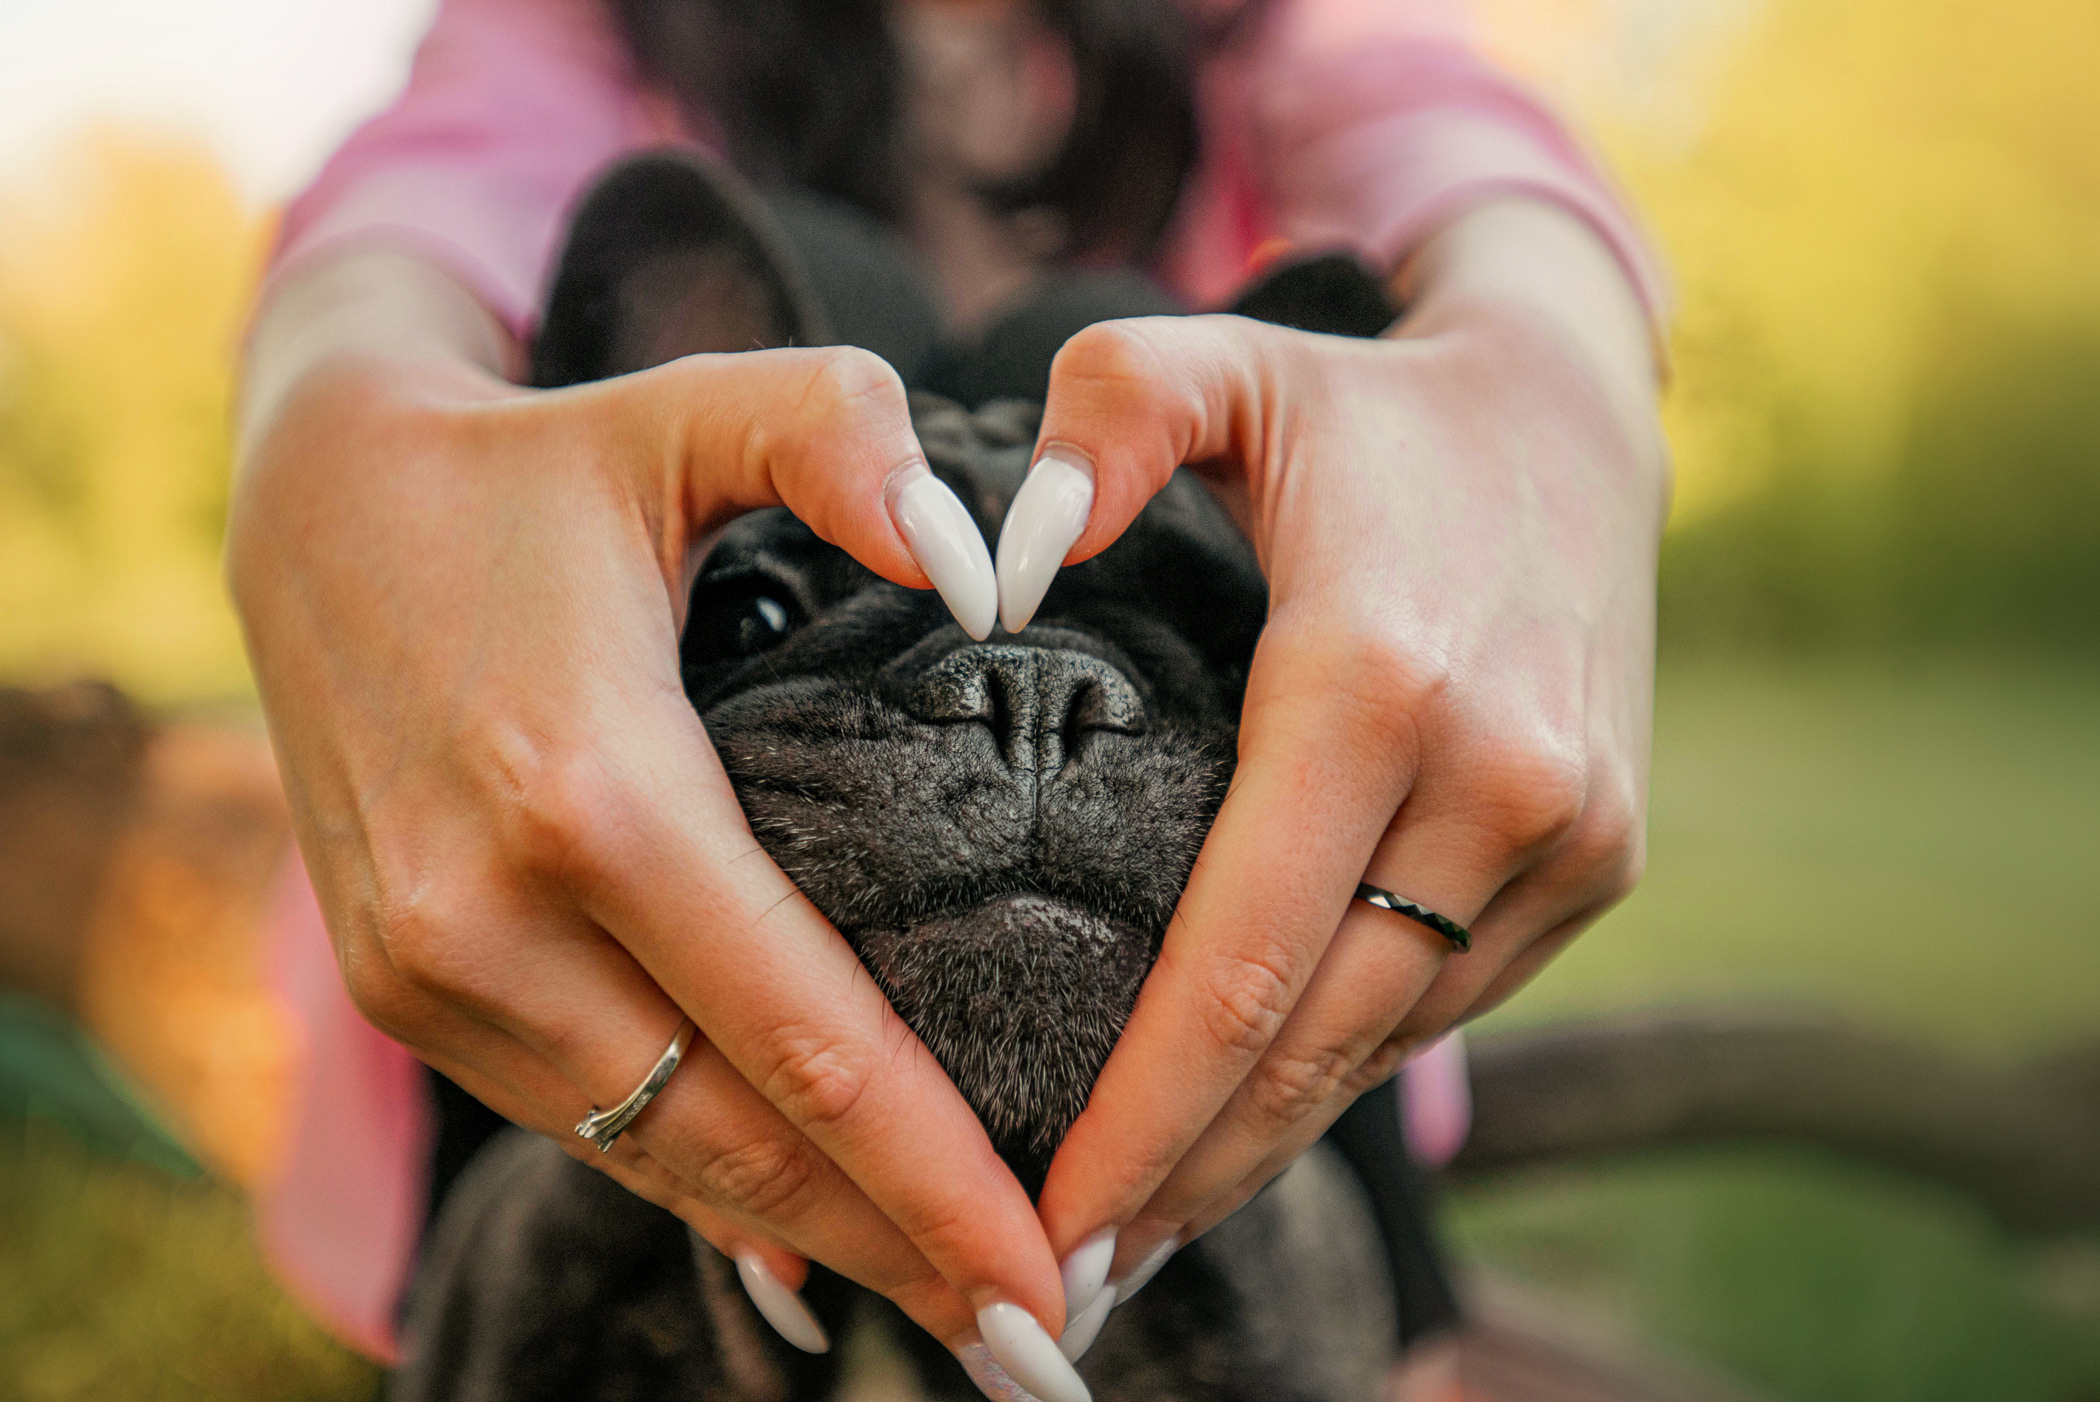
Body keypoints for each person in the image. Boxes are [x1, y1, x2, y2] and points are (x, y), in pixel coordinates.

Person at [230, 0, 1667, 1395]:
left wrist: (1550, 358)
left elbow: (1445, 126)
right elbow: (423, 198)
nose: (1014, 711)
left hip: (1245, 949)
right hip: (615, 903)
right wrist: (339, 395)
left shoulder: (1264, 26)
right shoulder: (589, 23)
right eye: (775, 603)